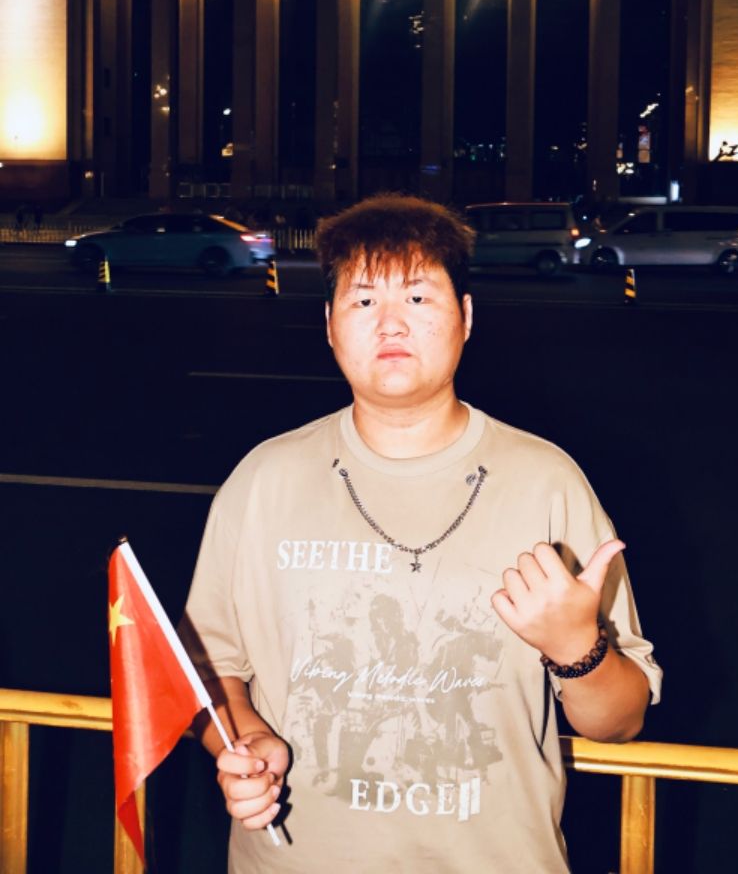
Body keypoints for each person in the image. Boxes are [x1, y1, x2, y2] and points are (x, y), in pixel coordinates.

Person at [182, 193, 661, 873]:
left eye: (417, 297)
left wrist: (576, 649)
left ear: (465, 317)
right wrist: (243, 737)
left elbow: (621, 720)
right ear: (329, 325)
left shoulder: (545, 482)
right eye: (363, 299)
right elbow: (205, 666)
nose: (391, 322)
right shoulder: (264, 479)